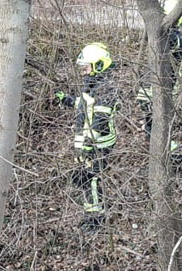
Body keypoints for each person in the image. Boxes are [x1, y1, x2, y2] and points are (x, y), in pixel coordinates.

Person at [55, 43, 118, 227]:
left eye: (86, 66)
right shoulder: (92, 83)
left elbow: (101, 116)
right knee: (81, 177)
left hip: (99, 144)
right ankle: (91, 211)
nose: (83, 71)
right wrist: (66, 100)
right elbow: (85, 105)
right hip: (88, 143)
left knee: (91, 178)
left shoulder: (105, 87)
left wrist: (90, 143)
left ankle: (95, 219)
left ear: (99, 65)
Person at [136, 0, 182, 147]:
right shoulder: (175, 38)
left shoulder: (160, 35)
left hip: (148, 89)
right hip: (159, 91)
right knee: (159, 122)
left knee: (152, 121)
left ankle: (152, 141)